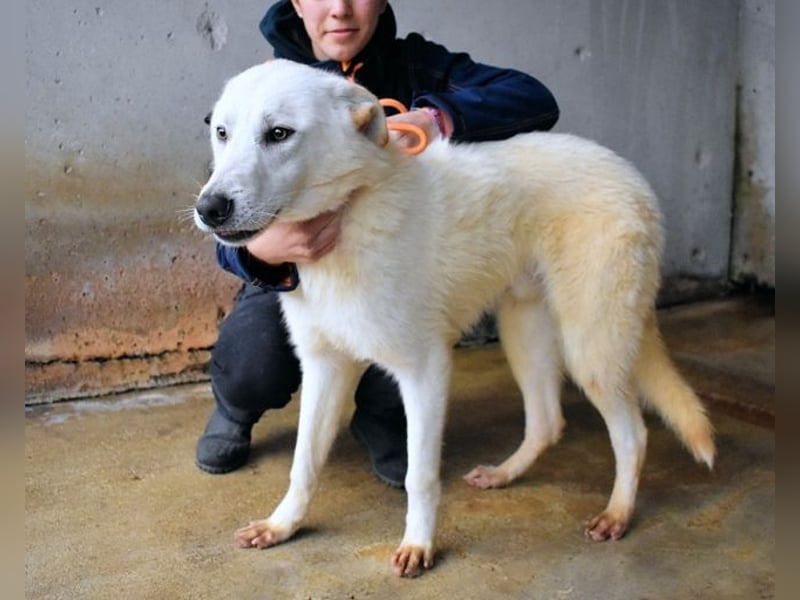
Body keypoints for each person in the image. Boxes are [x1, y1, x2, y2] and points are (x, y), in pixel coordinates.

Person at [195, 0, 560, 487]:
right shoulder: (266, 85)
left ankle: (381, 416)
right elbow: (226, 206)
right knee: (254, 360)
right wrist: (262, 250)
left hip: (391, 267)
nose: (340, 10)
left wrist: (436, 117)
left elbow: (532, 97)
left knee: (412, 332)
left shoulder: (416, 65)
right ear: (298, 4)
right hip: (294, 273)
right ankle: (234, 409)